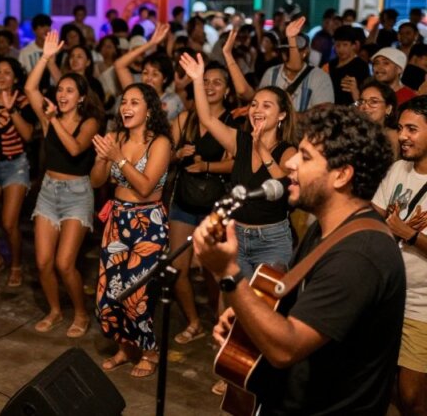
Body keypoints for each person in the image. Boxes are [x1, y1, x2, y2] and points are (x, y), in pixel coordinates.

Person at [194, 105, 403, 415]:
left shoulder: (360, 255)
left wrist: (228, 275)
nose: (289, 163)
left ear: (342, 175)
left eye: (305, 157)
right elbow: (297, 304)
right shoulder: (327, 228)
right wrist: (247, 318)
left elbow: (285, 347)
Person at [180, 53, 297, 282]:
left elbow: (284, 186)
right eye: (254, 105)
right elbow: (207, 118)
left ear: (282, 115)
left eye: (266, 105)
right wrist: (197, 78)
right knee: (233, 309)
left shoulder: (288, 151)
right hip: (237, 236)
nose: (257, 110)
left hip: (271, 241)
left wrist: (261, 148)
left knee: (263, 308)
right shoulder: (240, 140)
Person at [90, 82, 172, 378]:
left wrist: (118, 158)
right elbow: (97, 182)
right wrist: (102, 158)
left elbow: (146, 186)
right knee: (108, 295)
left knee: (136, 294)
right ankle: (126, 347)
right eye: (124, 101)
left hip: (148, 224)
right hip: (116, 222)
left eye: (135, 102)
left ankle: (150, 351)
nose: (126, 107)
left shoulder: (160, 143)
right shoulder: (114, 138)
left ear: (149, 111)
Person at [26, 33, 103, 337]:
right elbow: (30, 88)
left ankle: (81, 313)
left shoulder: (90, 121)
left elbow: (74, 149)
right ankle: (56, 310)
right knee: (43, 262)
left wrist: (54, 119)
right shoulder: (49, 118)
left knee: (64, 263)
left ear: (81, 97)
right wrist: (45, 58)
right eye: (60, 89)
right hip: (48, 191)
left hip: (77, 194)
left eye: (69, 90)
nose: (62, 94)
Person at [167, 61, 237, 345]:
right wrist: (177, 154)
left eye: (216, 82)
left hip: (215, 205)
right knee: (177, 269)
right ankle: (194, 322)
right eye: (205, 81)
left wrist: (207, 165)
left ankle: (216, 318)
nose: (209, 87)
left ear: (227, 90)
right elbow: (164, 155)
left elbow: (238, 163)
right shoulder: (185, 119)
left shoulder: (233, 122)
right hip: (183, 201)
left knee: (214, 272)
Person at [373, 96, 427, 416]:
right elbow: (375, 215)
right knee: (385, 385)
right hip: (387, 297)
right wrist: (392, 226)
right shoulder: (398, 168)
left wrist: (410, 235)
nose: (402, 135)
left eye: (412, 129)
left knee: (413, 397)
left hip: (422, 306)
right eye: (400, 128)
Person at [0, 57, 34, 287]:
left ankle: (16, 265)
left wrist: (11, 110)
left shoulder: (23, 100)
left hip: (15, 166)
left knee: (9, 223)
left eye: (7, 73)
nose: (1, 76)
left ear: (16, 79)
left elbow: (28, 135)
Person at [115, 23, 184, 121]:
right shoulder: (135, 93)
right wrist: (151, 43)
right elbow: (119, 65)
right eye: (145, 73)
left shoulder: (171, 100)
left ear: (165, 78)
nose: (149, 78)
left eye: (155, 74)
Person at [325, 25, 369, 106]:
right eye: (338, 45)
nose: (341, 49)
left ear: (354, 45)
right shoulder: (332, 64)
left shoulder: (361, 66)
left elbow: (364, 95)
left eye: (345, 45)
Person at [356, 80, 400, 158]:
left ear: (388, 109)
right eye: (362, 101)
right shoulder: (353, 133)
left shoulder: (394, 136)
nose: (365, 106)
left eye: (373, 102)